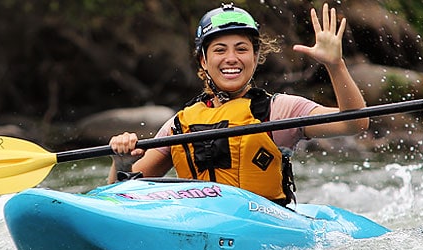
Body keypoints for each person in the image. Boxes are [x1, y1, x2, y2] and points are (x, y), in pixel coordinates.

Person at [108, 3, 368, 207]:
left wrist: (335, 66)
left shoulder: (280, 110)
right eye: (220, 50)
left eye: (241, 49)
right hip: (199, 223)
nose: (231, 59)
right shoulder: (179, 124)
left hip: (265, 227)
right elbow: (120, 196)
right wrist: (120, 162)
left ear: (256, 57)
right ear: (203, 60)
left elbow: (354, 123)